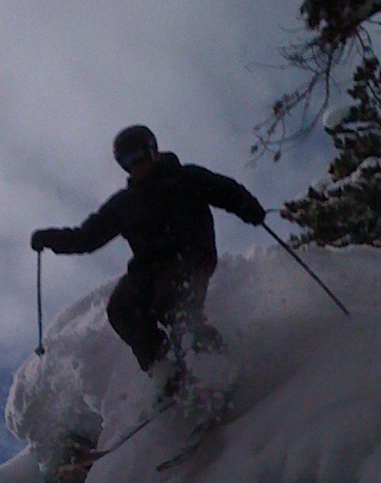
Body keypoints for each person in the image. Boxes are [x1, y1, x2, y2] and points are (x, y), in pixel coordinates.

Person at [31, 125, 266, 396]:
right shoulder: (125, 203)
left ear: (153, 150)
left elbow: (226, 191)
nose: (137, 165)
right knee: (122, 307)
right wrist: (49, 239)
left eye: (141, 156)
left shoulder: (185, 178)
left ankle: (212, 361)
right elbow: (86, 238)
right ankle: (166, 371)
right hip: (149, 267)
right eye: (129, 161)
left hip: (191, 255)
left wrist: (249, 208)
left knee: (171, 301)